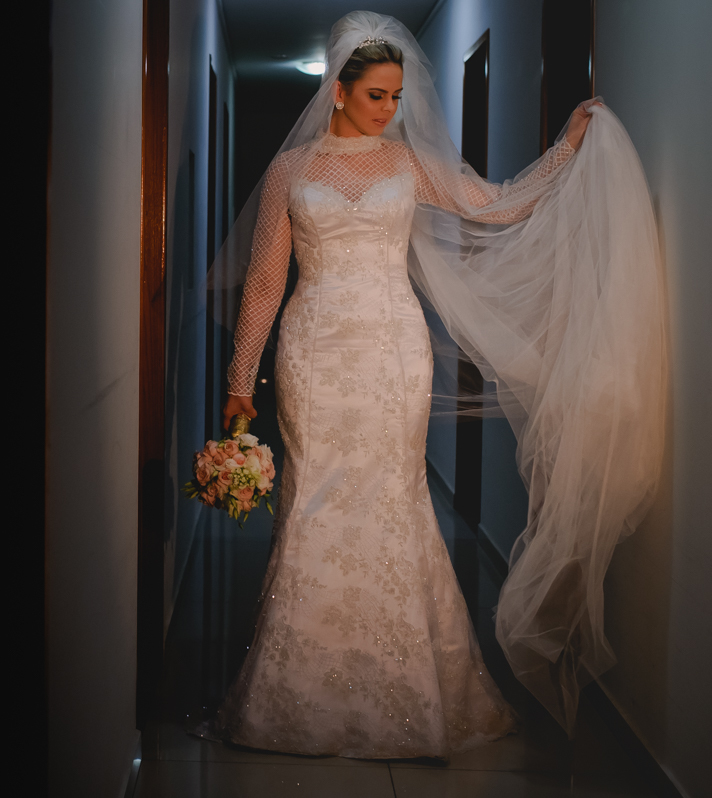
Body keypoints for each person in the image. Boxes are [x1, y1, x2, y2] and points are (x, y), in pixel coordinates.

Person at [192, 10, 667, 758]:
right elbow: (263, 284)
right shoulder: (292, 170)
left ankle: (409, 688)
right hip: (314, 354)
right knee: (313, 498)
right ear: (338, 91)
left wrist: (567, 149)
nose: (389, 109)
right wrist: (240, 378)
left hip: (394, 352)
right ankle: (295, 692)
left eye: (396, 96)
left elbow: (495, 204)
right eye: (376, 95)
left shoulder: (408, 165)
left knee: (394, 494)